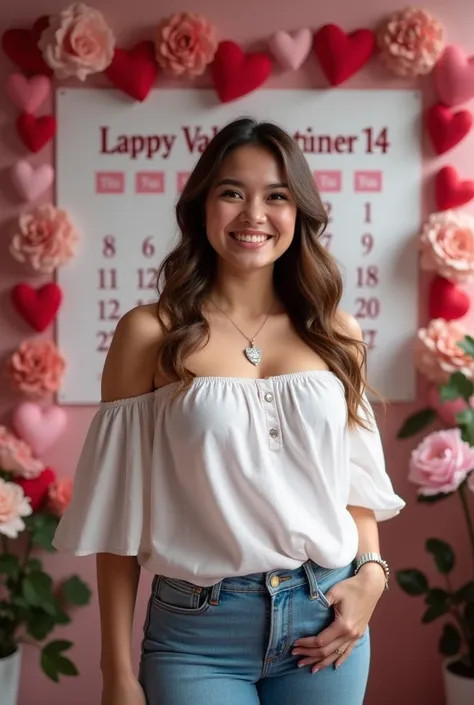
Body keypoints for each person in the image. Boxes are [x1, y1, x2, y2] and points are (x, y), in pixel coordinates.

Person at [53, 116, 405, 705]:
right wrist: (116, 671)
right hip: (197, 633)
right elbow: (118, 517)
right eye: (232, 193)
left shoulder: (336, 332)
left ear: (300, 213)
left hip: (325, 620)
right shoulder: (149, 333)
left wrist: (371, 574)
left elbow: (353, 485)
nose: (254, 215)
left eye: (277, 196)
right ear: (201, 207)